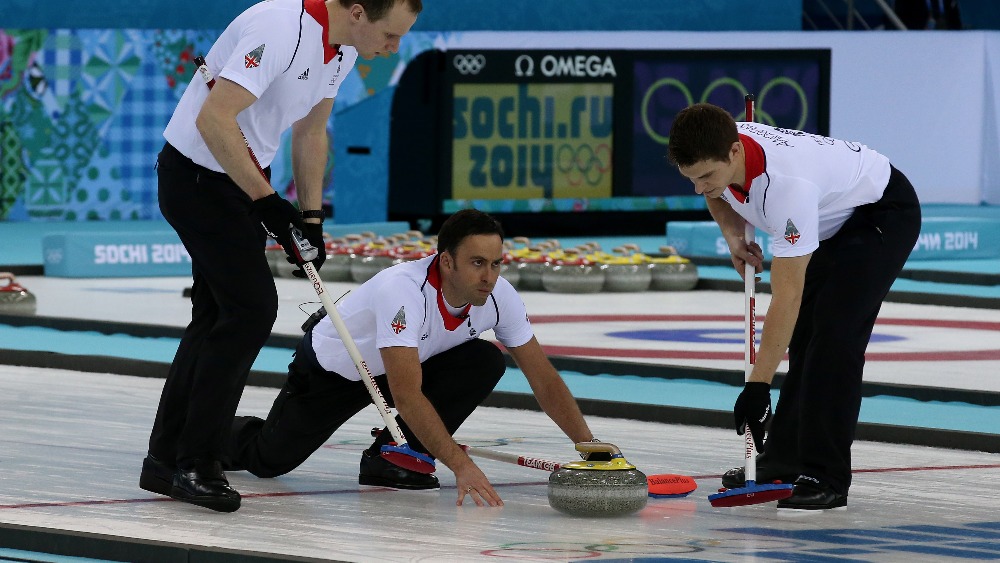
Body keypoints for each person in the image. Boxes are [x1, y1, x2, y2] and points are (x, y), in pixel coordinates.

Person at [139, 0, 422, 513]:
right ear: (359, 12)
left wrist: (310, 218)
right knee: (249, 310)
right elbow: (213, 118)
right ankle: (195, 460)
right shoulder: (279, 27)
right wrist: (269, 203)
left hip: (239, 183)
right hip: (197, 177)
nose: (393, 47)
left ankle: (168, 456)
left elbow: (311, 132)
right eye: (391, 34)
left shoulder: (342, 50)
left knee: (217, 315)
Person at [226, 209, 605, 507]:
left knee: (485, 360)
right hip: (337, 370)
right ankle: (206, 431)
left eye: (495, 264)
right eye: (477, 263)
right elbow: (407, 396)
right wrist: (461, 465)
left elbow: (542, 377)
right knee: (268, 460)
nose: (489, 277)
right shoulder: (404, 291)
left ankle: (392, 457)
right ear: (447, 261)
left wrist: (589, 446)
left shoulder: (499, 297)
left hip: (408, 365)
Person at [667, 103, 921, 510]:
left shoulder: (786, 189)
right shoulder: (718, 152)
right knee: (804, 339)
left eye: (706, 176)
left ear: (734, 151)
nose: (699, 188)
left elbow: (787, 297)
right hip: (828, 218)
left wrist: (757, 387)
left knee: (834, 339)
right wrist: (734, 238)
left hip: (878, 214)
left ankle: (826, 475)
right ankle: (784, 460)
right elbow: (719, 195)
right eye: (690, 179)